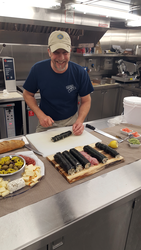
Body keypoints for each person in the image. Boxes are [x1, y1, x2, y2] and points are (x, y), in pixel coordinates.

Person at [23, 30, 94, 135]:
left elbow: (86, 100)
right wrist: (40, 115)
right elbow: (27, 94)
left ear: (70, 51)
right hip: (46, 124)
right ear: (49, 52)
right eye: (56, 52)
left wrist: (79, 121)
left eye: (65, 53)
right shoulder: (38, 69)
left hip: (71, 123)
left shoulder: (79, 72)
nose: (61, 58)